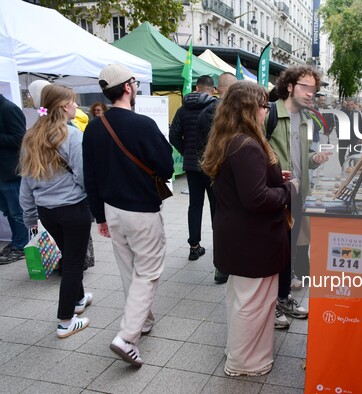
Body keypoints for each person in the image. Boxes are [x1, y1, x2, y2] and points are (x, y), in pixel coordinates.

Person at [83, 64, 173, 367]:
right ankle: (127, 336)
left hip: (112, 209)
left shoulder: (93, 127)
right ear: (128, 87)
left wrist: (100, 217)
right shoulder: (143, 125)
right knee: (147, 272)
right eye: (134, 83)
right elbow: (166, 167)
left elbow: (90, 176)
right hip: (142, 211)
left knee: (129, 269)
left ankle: (143, 321)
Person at [201, 81, 290, 377]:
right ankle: (245, 363)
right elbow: (257, 198)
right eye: (264, 106)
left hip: (237, 235)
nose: (267, 111)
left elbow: (247, 187)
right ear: (251, 109)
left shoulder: (229, 139)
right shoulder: (248, 145)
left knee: (242, 299)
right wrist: (289, 189)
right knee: (254, 303)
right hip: (254, 239)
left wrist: (274, 177)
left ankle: (239, 354)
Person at [19, 84, 92, 337]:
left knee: (70, 256)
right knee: (73, 262)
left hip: (46, 211)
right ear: (63, 106)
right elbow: (83, 175)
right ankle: (65, 320)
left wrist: (29, 216)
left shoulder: (31, 136)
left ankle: (79, 299)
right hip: (73, 207)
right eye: (73, 102)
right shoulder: (72, 136)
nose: (76, 106)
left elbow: (25, 183)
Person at [266, 65, 331, 329]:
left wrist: (314, 159)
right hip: (274, 196)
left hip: (297, 196)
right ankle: (268, 305)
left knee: (289, 252)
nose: (310, 94)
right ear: (290, 86)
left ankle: (283, 297)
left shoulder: (305, 119)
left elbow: (301, 157)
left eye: (313, 89)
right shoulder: (269, 114)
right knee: (271, 252)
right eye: (305, 87)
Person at [169, 75, 216, 261]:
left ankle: (194, 247)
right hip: (212, 165)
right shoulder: (215, 108)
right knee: (216, 205)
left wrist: (187, 150)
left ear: (196, 88)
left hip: (191, 165)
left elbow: (173, 136)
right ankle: (219, 246)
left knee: (194, 205)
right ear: (212, 90)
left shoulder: (182, 109)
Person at [197, 72, 238, 284]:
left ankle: (221, 267)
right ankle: (232, 262)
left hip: (214, 173)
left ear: (218, 89)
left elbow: (203, 143)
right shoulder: (240, 113)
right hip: (234, 174)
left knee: (219, 219)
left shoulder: (205, 113)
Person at [0, 94, 28, 264]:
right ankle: (18, 242)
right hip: (3, 172)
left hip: (11, 172)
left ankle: (22, 245)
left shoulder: (9, 109)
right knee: (9, 211)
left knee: (17, 211)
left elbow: (20, 138)